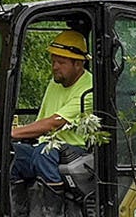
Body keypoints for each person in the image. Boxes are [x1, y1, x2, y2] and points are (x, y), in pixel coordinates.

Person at [10, 30, 93, 186]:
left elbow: (54, 123)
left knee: (44, 152)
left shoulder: (90, 89)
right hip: (48, 147)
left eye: (61, 63)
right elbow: (41, 123)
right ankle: (18, 208)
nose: (55, 67)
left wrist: (10, 133)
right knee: (9, 154)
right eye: (53, 61)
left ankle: (54, 207)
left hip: (78, 151)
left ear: (78, 64)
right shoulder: (55, 83)